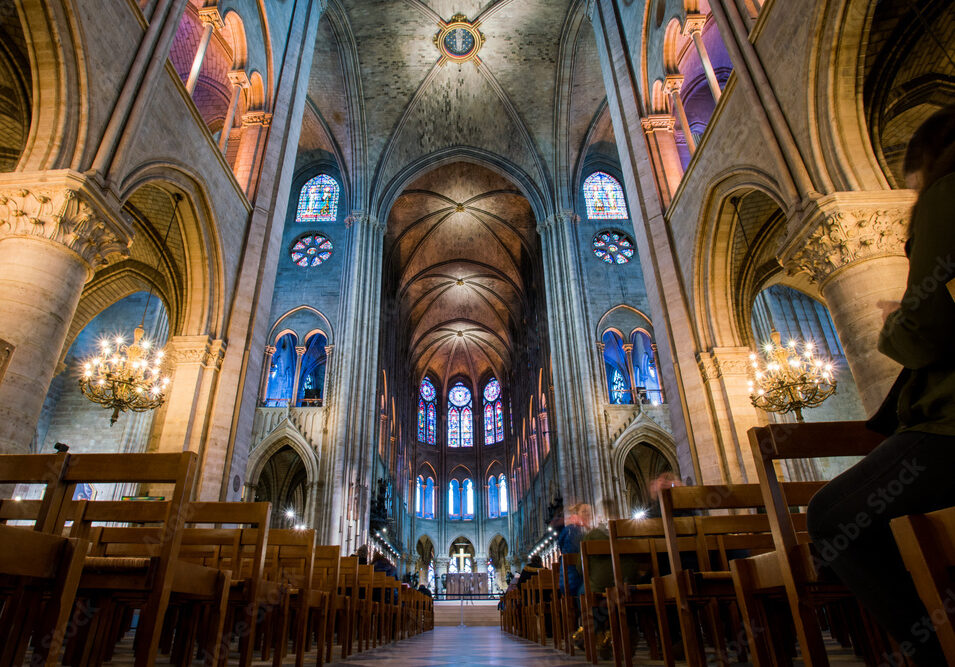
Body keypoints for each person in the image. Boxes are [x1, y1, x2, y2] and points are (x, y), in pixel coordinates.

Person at [807, 106, 955, 667]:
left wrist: (896, 317)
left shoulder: (946, 195)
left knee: (832, 517)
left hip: (949, 426)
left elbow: (926, 335)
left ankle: (931, 654)